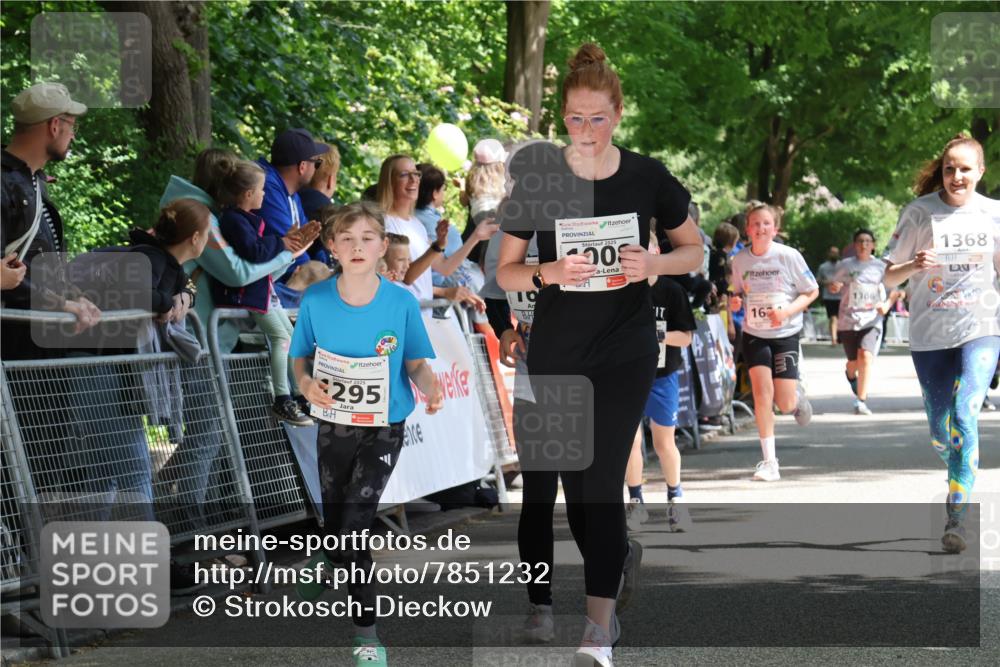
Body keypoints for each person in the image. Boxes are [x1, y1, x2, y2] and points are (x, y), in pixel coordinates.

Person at [496, 43, 703, 666]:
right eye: (575, 119)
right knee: (569, 489)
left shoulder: (648, 176)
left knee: (600, 482)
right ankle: (616, 563)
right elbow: (504, 273)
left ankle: (597, 631)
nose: (585, 131)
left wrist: (654, 264)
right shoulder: (539, 180)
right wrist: (548, 270)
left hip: (625, 348)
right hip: (556, 351)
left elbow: (692, 251)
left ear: (617, 114)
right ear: (562, 117)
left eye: (598, 118)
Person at [291, 201, 443, 667]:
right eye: (348, 238)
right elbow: (298, 358)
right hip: (334, 425)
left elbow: (415, 361)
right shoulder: (315, 300)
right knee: (339, 522)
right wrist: (305, 384)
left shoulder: (399, 301)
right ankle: (330, 552)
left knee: (354, 524)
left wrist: (433, 389)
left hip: (384, 427)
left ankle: (367, 636)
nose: (358, 246)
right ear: (332, 247)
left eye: (368, 238)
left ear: (383, 246)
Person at [883, 133, 1000, 554]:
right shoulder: (919, 213)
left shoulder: (994, 215)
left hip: (981, 327)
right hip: (930, 335)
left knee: (966, 411)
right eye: (950, 168)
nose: (956, 176)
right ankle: (958, 463)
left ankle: (957, 514)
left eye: (966, 169)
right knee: (940, 429)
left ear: (980, 172)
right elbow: (888, 276)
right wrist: (913, 264)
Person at [2, 82, 100, 360]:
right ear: (55, 125)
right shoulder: (4, 183)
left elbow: (42, 265)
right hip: (11, 351)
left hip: (37, 346)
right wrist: (63, 305)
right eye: (73, 126)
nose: (73, 136)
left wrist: (73, 297)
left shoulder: (33, 182)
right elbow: (3, 275)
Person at [212, 158, 313, 426]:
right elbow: (254, 252)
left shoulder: (245, 219)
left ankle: (297, 394)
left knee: (290, 336)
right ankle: (282, 398)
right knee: (281, 337)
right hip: (251, 293)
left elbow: (262, 255)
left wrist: (291, 246)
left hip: (262, 290)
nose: (265, 194)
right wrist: (281, 243)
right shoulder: (234, 221)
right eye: (262, 190)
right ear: (248, 194)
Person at [728, 200, 819, 482]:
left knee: (784, 400)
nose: (760, 228)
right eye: (755, 223)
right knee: (761, 395)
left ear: (775, 228)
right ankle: (769, 462)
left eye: (766, 223)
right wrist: (734, 302)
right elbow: (737, 291)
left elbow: (812, 290)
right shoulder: (740, 260)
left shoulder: (788, 256)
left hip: (785, 334)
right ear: (747, 229)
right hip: (755, 334)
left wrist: (787, 311)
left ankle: (797, 399)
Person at [624, 270, 696, 533]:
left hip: (662, 376)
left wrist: (658, 336)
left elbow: (687, 337)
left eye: (649, 248)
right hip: (627, 374)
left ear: (656, 252)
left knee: (664, 442)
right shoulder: (620, 288)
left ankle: (675, 498)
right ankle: (635, 501)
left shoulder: (671, 291)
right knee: (631, 442)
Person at [377, 154, 493, 310]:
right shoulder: (384, 223)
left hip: (424, 311)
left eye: (416, 174)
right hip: (405, 312)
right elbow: (402, 278)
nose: (413, 180)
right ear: (389, 182)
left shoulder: (416, 225)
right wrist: (443, 290)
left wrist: (476, 236)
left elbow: (445, 268)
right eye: (404, 175)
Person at [256, 128, 330, 305]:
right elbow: (294, 247)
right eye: (316, 163)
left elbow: (306, 238)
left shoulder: (291, 194)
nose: (316, 169)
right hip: (269, 287)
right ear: (302, 167)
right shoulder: (267, 187)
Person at [828, 229, 897, 415]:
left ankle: (861, 400)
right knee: (853, 362)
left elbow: (896, 290)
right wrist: (834, 286)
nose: (864, 244)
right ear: (854, 245)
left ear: (873, 245)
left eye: (868, 241)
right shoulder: (845, 265)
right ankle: (851, 375)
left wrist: (887, 304)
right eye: (860, 241)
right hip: (848, 320)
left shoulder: (881, 266)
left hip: (871, 318)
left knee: (865, 356)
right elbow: (834, 285)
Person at [817, 246, 842, 345]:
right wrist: (826, 282)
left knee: (840, 319)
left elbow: (849, 279)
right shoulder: (823, 267)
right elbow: (817, 280)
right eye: (832, 252)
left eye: (836, 253)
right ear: (829, 254)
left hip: (842, 296)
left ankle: (840, 337)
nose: (834, 254)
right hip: (829, 296)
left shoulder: (843, 266)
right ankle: (834, 340)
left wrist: (841, 283)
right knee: (833, 317)